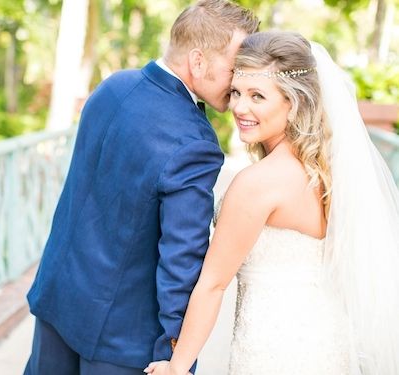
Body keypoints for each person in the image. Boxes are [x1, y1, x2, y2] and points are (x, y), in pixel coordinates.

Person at [23, 1, 259, 374]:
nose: (238, 82)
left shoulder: (113, 87)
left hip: (58, 300)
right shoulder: (194, 141)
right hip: (122, 340)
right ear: (198, 62)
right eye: (234, 68)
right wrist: (175, 353)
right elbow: (182, 259)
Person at [144, 31, 399, 375]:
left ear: (293, 104)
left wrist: (177, 367)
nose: (239, 107)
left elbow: (213, 283)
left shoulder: (257, 184)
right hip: (327, 340)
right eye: (236, 91)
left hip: (273, 348)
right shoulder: (327, 170)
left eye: (257, 96)